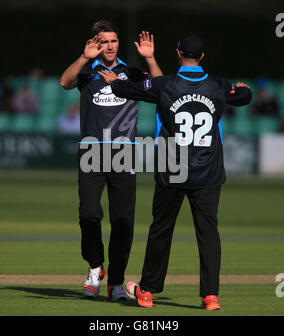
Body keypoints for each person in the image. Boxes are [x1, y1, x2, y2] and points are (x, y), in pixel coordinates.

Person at [99, 33, 252, 309]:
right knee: (208, 233)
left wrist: (115, 82)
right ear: (202, 57)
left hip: (173, 166)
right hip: (207, 170)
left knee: (161, 229)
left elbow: (128, 90)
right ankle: (210, 296)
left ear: (178, 54)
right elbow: (243, 96)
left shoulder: (165, 84)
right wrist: (242, 88)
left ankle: (146, 292)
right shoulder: (218, 85)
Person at [59, 20, 162, 301]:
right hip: (91, 151)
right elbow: (64, 82)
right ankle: (95, 267)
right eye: (104, 41)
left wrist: (150, 58)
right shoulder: (87, 71)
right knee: (88, 214)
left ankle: (116, 282)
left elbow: (160, 88)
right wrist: (83, 57)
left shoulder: (130, 72)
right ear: (95, 43)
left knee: (123, 221)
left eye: (113, 41)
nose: (109, 46)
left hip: (123, 152)